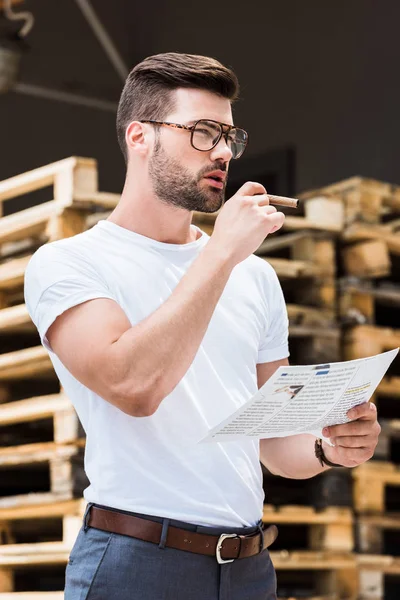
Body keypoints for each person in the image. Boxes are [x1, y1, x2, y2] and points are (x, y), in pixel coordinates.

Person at [24, 52, 381, 600]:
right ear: (140, 136)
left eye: (229, 136)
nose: (221, 151)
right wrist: (219, 257)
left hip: (248, 569)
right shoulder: (69, 264)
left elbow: (273, 440)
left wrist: (330, 446)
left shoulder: (256, 277)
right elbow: (134, 386)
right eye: (202, 132)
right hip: (137, 562)